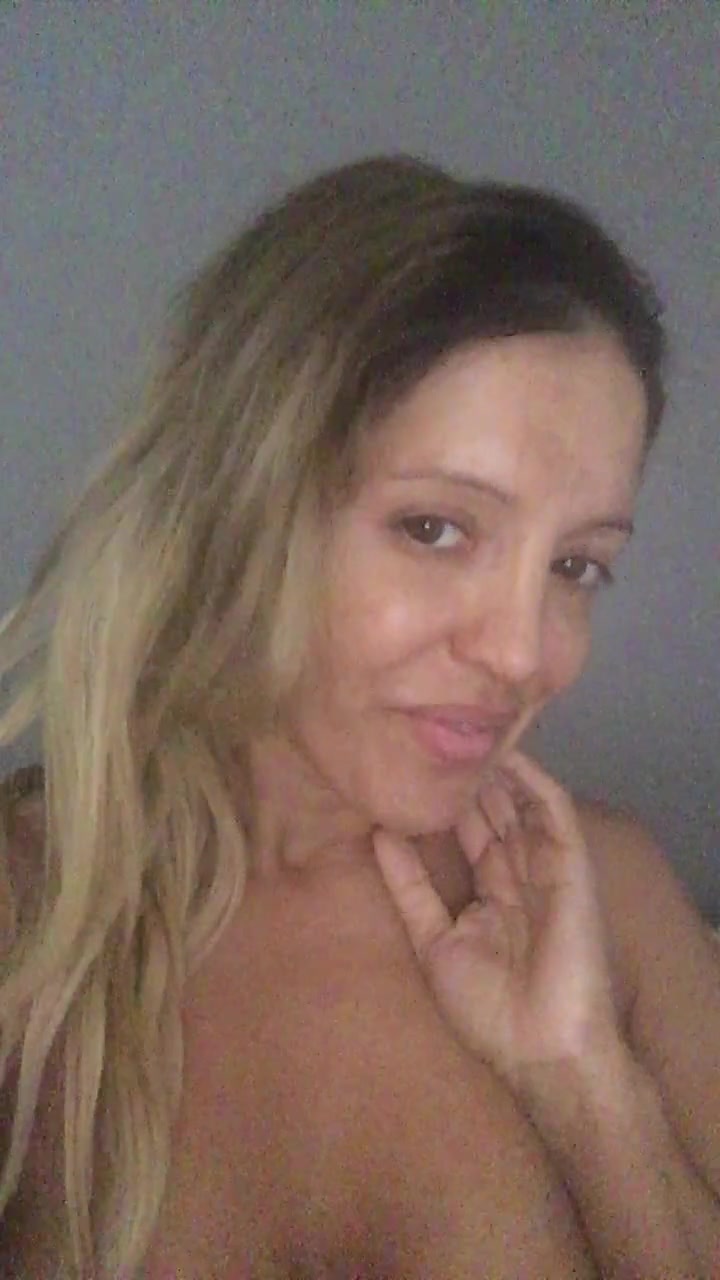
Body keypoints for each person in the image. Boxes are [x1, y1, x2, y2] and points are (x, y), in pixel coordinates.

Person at [0, 154, 718, 1280]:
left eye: (578, 564)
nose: (524, 653)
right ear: (240, 506)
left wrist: (589, 1088)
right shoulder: (30, 910)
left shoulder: (608, 898)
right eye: (436, 528)